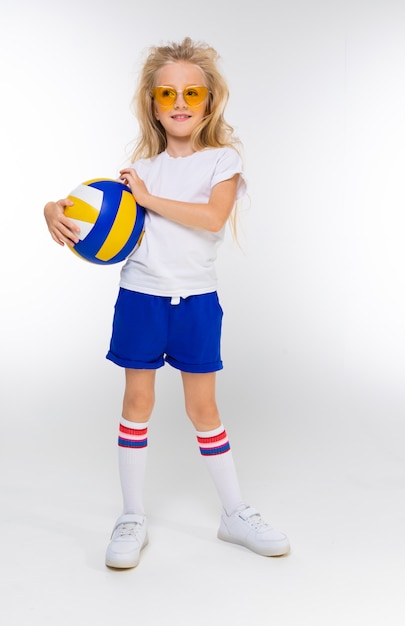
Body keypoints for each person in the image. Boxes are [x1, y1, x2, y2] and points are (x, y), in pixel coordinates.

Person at [44, 37, 290, 569]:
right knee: (137, 404)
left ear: (209, 102)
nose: (180, 102)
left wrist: (148, 198)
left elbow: (211, 218)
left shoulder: (222, 161)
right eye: (167, 93)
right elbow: (87, 210)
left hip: (197, 301)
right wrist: (50, 209)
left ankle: (233, 512)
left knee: (204, 408)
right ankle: (132, 515)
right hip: (141, 297)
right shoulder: (138, 169)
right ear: (153, 104)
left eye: (192, 92)